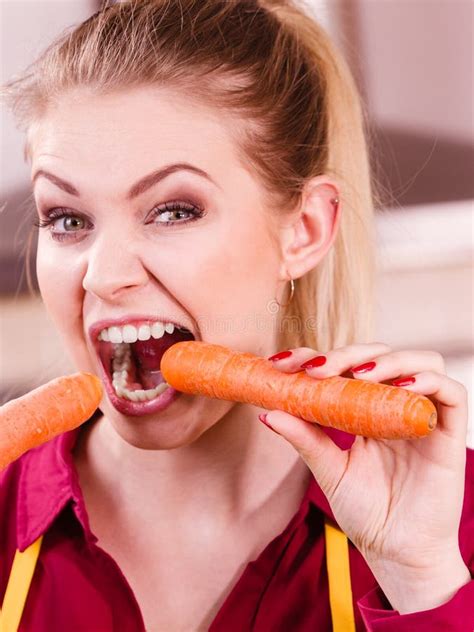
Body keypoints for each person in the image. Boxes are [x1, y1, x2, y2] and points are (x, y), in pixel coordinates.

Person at [1, 1, 472, 630]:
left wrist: (421, 577)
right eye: (67, 220)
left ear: (304, 230)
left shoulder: (447, 522)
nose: (104, 275)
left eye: (173, 211)